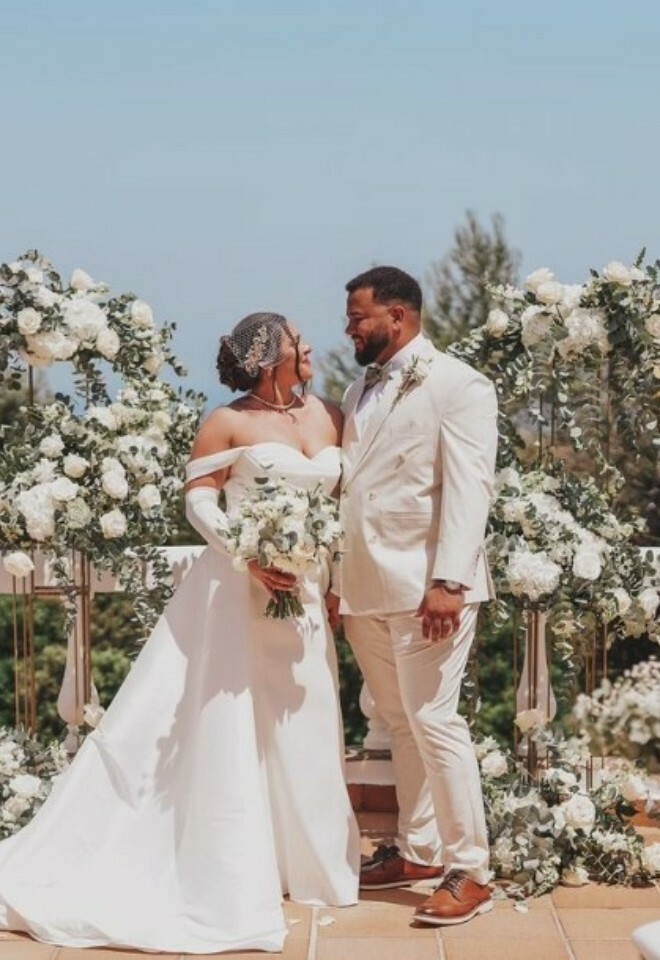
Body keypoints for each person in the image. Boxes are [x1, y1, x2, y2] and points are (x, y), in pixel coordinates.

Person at [0, 312, 360, 954]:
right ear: (271, 355)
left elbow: (341, 503)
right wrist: (246, 551)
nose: (310, 348)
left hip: (303, 592)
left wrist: (328, 578)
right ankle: (227, 861)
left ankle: (307, 863)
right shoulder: (228, 420)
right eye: (298, 342)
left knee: (305, 717)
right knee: (231, 720)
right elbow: (199, 498)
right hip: (238, 589)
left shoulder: (332, 412)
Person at [336, 266, 498, 926]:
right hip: (364, 587)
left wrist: (450, 581)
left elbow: (470, 486)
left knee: (435, 721)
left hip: (429, 588)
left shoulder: (459, 384)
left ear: (397, 317)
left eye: (358, 317)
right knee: (401, 722)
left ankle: (471, 869)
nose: (348, 327)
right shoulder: (355, 390)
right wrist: (331, 582)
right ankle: (421, 850)